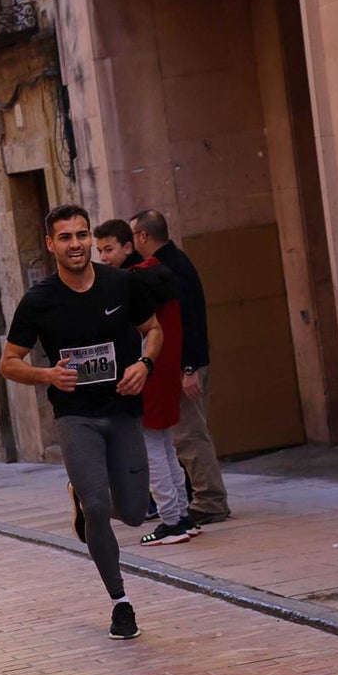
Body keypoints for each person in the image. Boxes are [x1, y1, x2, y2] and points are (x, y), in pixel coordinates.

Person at [0, 204, 162, 640]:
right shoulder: (39, 300)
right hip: (76, 416)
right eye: (66, 237)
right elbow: (9, 364)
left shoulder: (122, 284)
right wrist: (47, 375)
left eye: (82, 235)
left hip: (123, 410)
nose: (76, 244)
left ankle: (84, 499)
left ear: (91, 238)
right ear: (51, 244)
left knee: (131, 512)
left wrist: (144, 364)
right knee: (96, 506)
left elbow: (154, 329)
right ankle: (120, 602)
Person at [94, 219, 199, 545]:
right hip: (163, 370)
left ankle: (171, 520)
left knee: (154, 451)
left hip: (147, 373)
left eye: (107, 249)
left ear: (128, 246)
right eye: (100, 251)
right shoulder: (160, 274)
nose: (103, 257)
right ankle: (182, 516)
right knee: (166, 448)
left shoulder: (133, 283)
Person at [131, 209, 231, 525]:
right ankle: (201, 499)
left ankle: (211, 500)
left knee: (190, 435)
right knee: (183, 436)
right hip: (185, 363)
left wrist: (188, 369)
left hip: (186, 366)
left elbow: (187, 323)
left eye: (134, 236)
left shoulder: (170, 268)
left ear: (143, 236)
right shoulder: (175, 263)